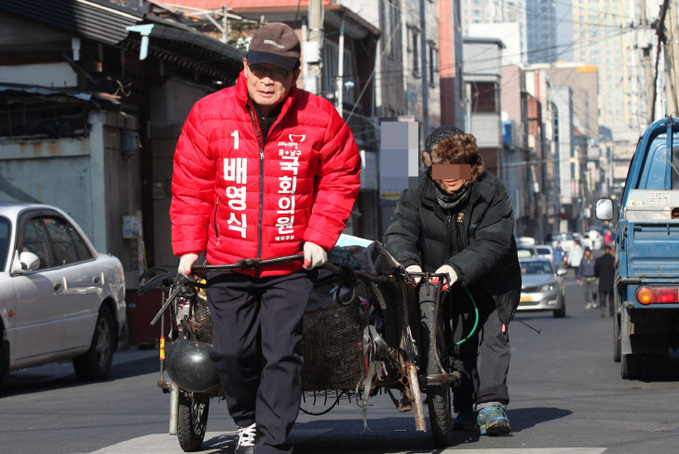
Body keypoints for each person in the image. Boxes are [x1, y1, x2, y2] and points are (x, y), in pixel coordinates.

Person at [169, 22, 361, 454]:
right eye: (259, 68)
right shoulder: (208, 114)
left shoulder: (320, 117)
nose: (267, 79)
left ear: (295, 75)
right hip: (225, 260)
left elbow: (340, 177)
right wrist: (188, 247)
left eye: (278, 70)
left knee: (281, 352)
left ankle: (272, 442)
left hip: (290, 263)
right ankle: (247, 421)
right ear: (245, 67)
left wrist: (319, 237)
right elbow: (191, 187)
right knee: (232, 353)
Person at [384, 126, 521, 436]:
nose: (450, 175)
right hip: (437, 283)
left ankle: (490, 405)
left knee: (492, 339)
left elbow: (494, 241)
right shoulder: (415, 194)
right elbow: (399, 233)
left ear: (470, 164)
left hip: (491, 280)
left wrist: (456, 268)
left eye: (457, 166)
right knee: (455, 344)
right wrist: (410, 265)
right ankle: (463, 406)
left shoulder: (491, 191)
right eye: (442, 167)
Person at [595, 244, 616, 317]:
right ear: (610, 251)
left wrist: (597, 275)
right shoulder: (614, 260)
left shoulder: (599, 260)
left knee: (602, 296)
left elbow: (596, 271)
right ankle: (612, 311)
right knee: (612, 297)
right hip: (611, 281)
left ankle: (602, 309)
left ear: (603, 251)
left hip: (602, 281)